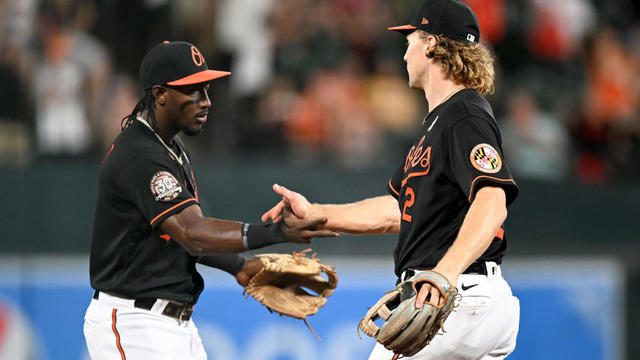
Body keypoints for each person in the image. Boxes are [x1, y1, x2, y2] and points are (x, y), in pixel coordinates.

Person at [262, 1, 521, 358]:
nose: (405, 54)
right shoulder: (439, 121)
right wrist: (315, 213)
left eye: (411, 40)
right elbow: (398, 211)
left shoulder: (464, 114)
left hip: (457, 295)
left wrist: (443, 275)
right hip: (466, 296)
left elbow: (492, 202)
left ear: (431, 44)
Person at [83, 40, 337, 360]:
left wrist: (238, 266)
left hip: (171, 324)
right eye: (193, 91)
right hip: (134, 323)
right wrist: (277, 233)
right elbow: (194, 233)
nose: (206, 101)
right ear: (160, 94)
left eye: (205, 89)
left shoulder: (168, 147)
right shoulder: (140, 157)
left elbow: (178, 238)